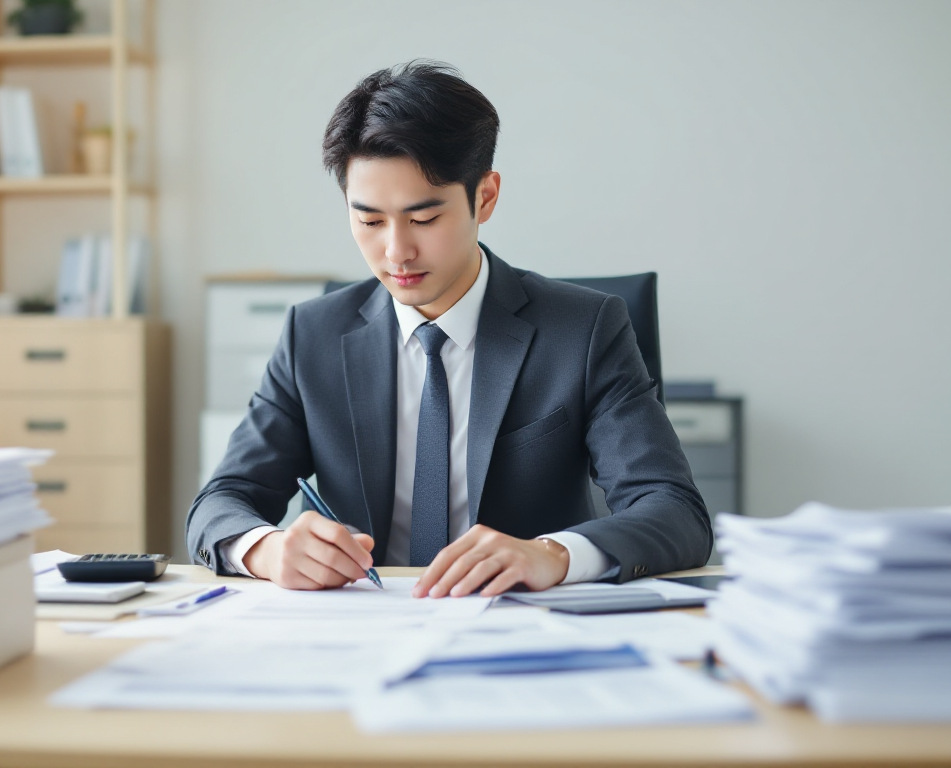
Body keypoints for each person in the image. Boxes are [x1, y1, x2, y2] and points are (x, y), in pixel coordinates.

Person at [187, 60, 711, 598]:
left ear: (485, 197)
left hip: (517, 623)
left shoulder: (583, 330)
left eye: (424, 219)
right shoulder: (312, 335)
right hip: (361, 625)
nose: (396, 252)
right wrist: (266, 549)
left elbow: (674, 511)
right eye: (369, 221)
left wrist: (552, 554)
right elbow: (221, 501)